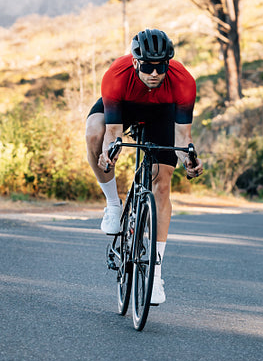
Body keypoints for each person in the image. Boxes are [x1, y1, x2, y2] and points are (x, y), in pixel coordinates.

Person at [85, 28, 203, 304]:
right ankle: (113, 204)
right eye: (148, 66)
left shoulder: (182, 80)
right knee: (94, 131)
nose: (154, 73)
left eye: (160, 66)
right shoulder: (116, 74)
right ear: (136, 61)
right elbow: (112, 131)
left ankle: (156, 274)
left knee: (162, 183)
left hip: (162, 114)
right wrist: (108, 154)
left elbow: (183, 138)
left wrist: (190, 161)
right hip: (126, 107)